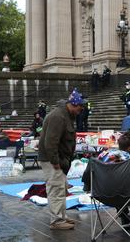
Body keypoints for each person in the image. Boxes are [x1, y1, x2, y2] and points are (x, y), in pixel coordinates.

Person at [37, 88, 86, 230]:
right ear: (73, 104)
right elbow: (50, 143)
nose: (81, 110)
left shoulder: (65, 114)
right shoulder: (58, 116)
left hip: (59, 159)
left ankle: (61, 216)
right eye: (80, 107)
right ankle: (57, 220)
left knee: (61, 188)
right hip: (53, 159)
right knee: (56, 189)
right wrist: (56, 162)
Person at [82, 132, 130, 229]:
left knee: (114, 183)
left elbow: (87, 175)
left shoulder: (104, 155)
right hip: (127, 194)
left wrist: (88, 187)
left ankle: (124, 216)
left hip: (102, 193)